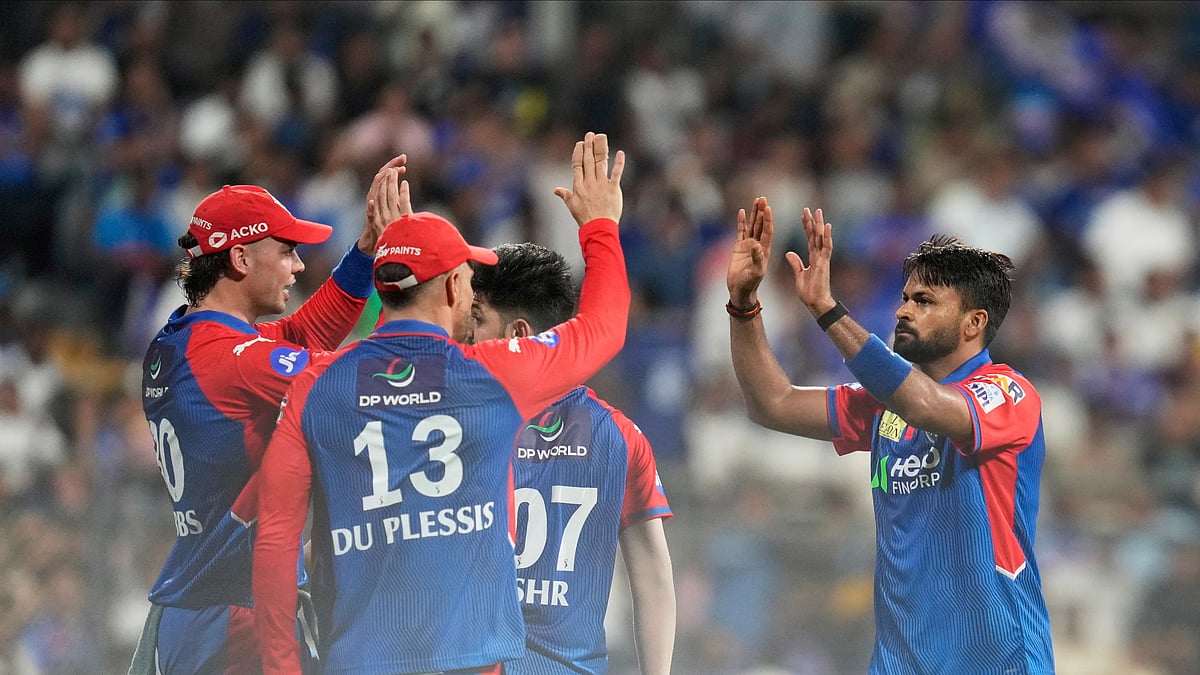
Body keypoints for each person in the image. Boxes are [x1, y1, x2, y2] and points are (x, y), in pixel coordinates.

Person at [253, 132, 630, 674]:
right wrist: (599, 226)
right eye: (470, 279)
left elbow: (275, 540)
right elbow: (604, 326)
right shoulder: (493, 375)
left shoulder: (315, 386)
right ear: (455, 288)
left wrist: (281, 669)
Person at [725, 198, 1054, 674]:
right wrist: (743, 304)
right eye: (904, 298)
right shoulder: (883, 404)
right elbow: (771, 403)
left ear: (974, 322)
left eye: (924, 302)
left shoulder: (1008, 393)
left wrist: (826, 309)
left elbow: (924, 404)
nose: (903, 311)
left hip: (995, 657)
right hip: (901, 660)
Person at [131, 156, 410, 675]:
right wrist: (428, 329)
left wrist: (367, 251)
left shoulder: (185, 341)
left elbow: (302, 337)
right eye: (286, 251)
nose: (298, 266)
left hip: (196, 604)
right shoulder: (230, 360)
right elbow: (342, 382)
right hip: (235, 617)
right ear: (239, 257)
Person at [470, 242, 675, 675]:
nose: (465, 337)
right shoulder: (620, 436)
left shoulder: (462, 420)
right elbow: (653, 576)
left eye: (476, 320)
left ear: (518, 336)